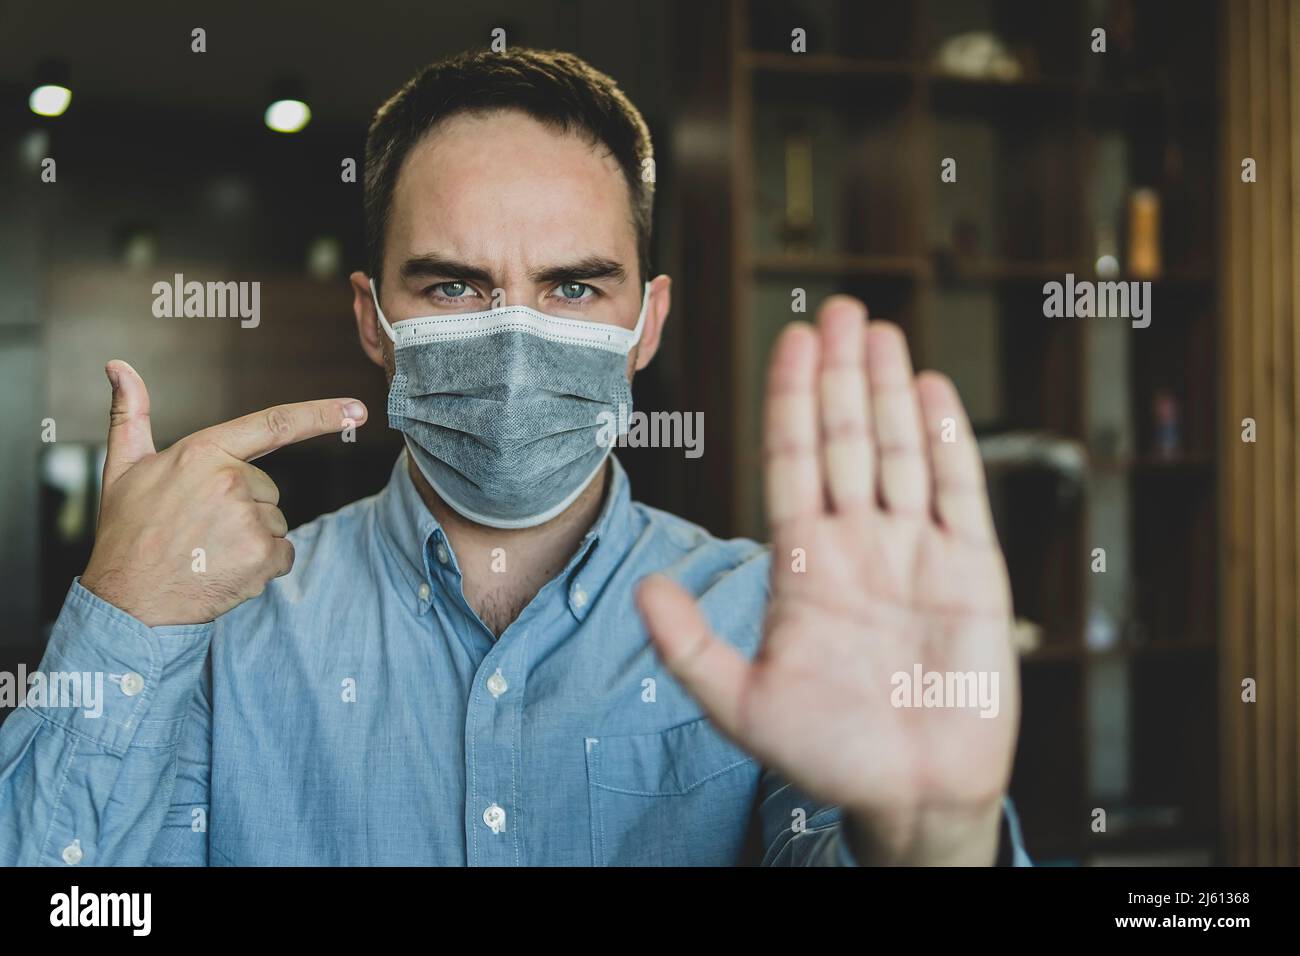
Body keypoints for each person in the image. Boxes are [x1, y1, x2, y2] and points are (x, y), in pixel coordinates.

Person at [0, 48, 1028, 866]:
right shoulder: (216, 634)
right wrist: (121, 616)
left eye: (575, 288)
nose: (516, 337)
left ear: (648, 321)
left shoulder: (773, 619)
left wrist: (929, 846)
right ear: (373, 319)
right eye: (452, 286)